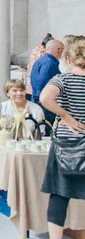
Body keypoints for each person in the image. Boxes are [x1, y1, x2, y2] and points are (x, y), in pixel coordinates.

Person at [39, 35, 85, 239]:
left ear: (67, 57)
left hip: (66, 143)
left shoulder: (62, 79)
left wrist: (65, 115)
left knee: (59, 194)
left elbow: (45, 97)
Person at [31, 39, 65, 126]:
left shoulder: (41, 60)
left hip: (38, 100)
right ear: (59, 50)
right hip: (45, 103)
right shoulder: (50, 63)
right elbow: (43, 84)